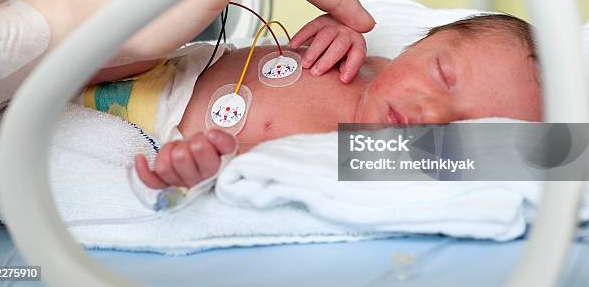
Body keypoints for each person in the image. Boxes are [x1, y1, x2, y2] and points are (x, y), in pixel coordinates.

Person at [0, 0, 397, 223]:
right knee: (127, 52)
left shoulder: (407, 140)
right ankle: (27, 35)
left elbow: (454, 154)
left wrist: (186, 175)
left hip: (135, 144)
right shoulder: (385, 59)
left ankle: (27, 37)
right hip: (151, 72)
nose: (431, 102)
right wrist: (337, 36)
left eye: (457, 101)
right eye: (442, 70)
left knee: (43, 163)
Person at [76, 12, 541, 190]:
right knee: (76, 48)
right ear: (416, 45)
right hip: (165, 66)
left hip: (143, 130)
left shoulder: (356, 152)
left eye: (463, 131)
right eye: (442, 74)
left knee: (21, 162)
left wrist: (194, 171)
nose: (434, 114)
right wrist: (334, 29)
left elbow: (558, 155)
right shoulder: (365, 60)